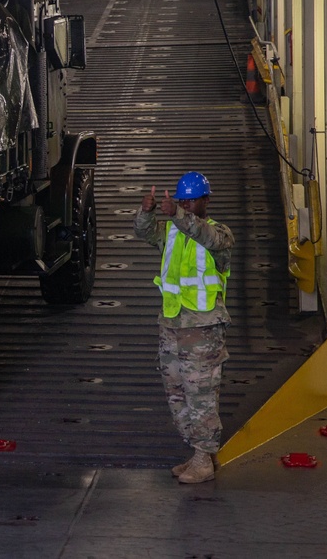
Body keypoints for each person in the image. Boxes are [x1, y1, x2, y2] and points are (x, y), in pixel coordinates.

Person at [134, 172, 233, 484]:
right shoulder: (172, 234)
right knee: (177, 394)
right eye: (182, 201)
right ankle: (199, 454)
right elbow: (143, 232)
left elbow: (204, 236)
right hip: (172, 327)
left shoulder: (220, 234)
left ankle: (204, 459)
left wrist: (176, 215)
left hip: (203, 331)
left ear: (206, 200)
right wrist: (146, 211)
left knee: (201, 396)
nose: (187, 206)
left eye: (192, 200)